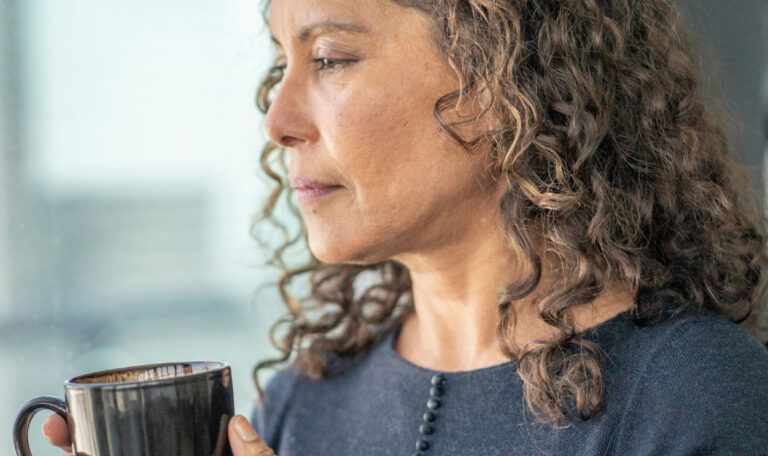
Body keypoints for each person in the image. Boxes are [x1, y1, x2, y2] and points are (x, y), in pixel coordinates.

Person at [43, 0, 768, 454]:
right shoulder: (306, 401)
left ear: (500, 78)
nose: (277, 120)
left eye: (329, 58)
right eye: (279, 65)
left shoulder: (700, 398)